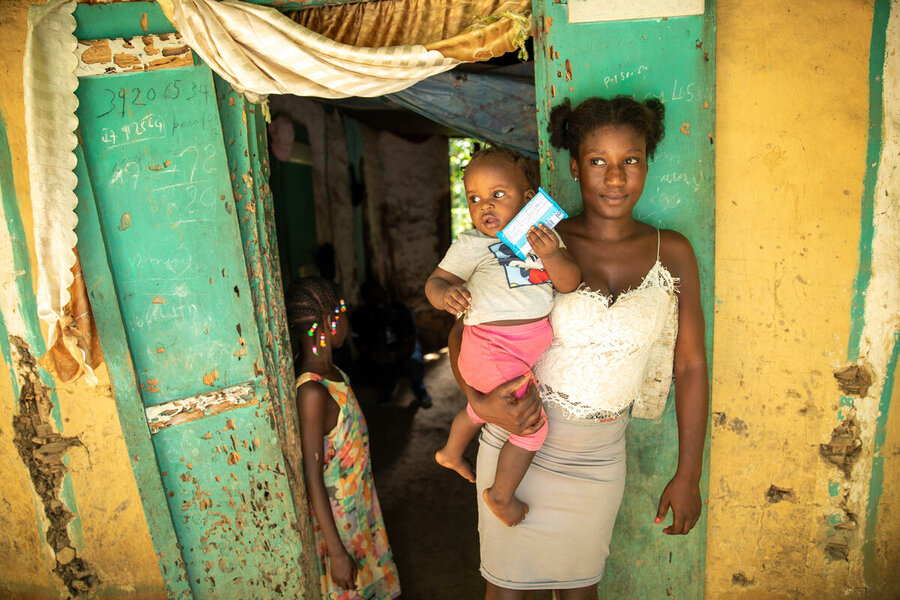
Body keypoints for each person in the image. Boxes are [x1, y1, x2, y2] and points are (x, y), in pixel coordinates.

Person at [449, 96, 709, 598]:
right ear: (575, 167)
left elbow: (692, 366)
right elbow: (466, 331)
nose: (615, 178)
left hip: (600, 458)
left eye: (630, 160)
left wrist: (689, 474)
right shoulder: (532, 240)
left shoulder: (671, 250)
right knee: (507, 591)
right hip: (520, 443)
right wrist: (477, 401)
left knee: (580, 591)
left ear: (647, 164)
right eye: (597, 162)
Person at [425, 147, 581, 526]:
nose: (484, 207)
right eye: (474, 198)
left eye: (497, 195)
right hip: (491, 349)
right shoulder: (472, 245)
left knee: (481, 409)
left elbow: (569, 283)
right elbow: (435, 282)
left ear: (528, 200)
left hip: (510, 356)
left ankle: (450, 451)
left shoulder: (543, 238)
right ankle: (501, 495)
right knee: (530, 426)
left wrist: (552, 255)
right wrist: (445, 295)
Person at [288, 276, 401, 600]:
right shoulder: (312, 391)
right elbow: (312, 476)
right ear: (328, 319)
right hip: (339, 528)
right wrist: (337, 553)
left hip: (361, 512)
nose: (348, 321)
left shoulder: (335, 376)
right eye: (344, 311)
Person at [351, 280, 432, 408]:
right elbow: (360, 343)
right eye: (372, 300)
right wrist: (374, 354)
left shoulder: (401, 310)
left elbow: (411, 341)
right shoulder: (361, 316)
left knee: (414, 362)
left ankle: (419, 389)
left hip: (402, 351)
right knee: (360, 370)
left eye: (380, 298)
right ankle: (386, 388)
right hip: (380, 354)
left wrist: (394, 355)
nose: (379, 303)